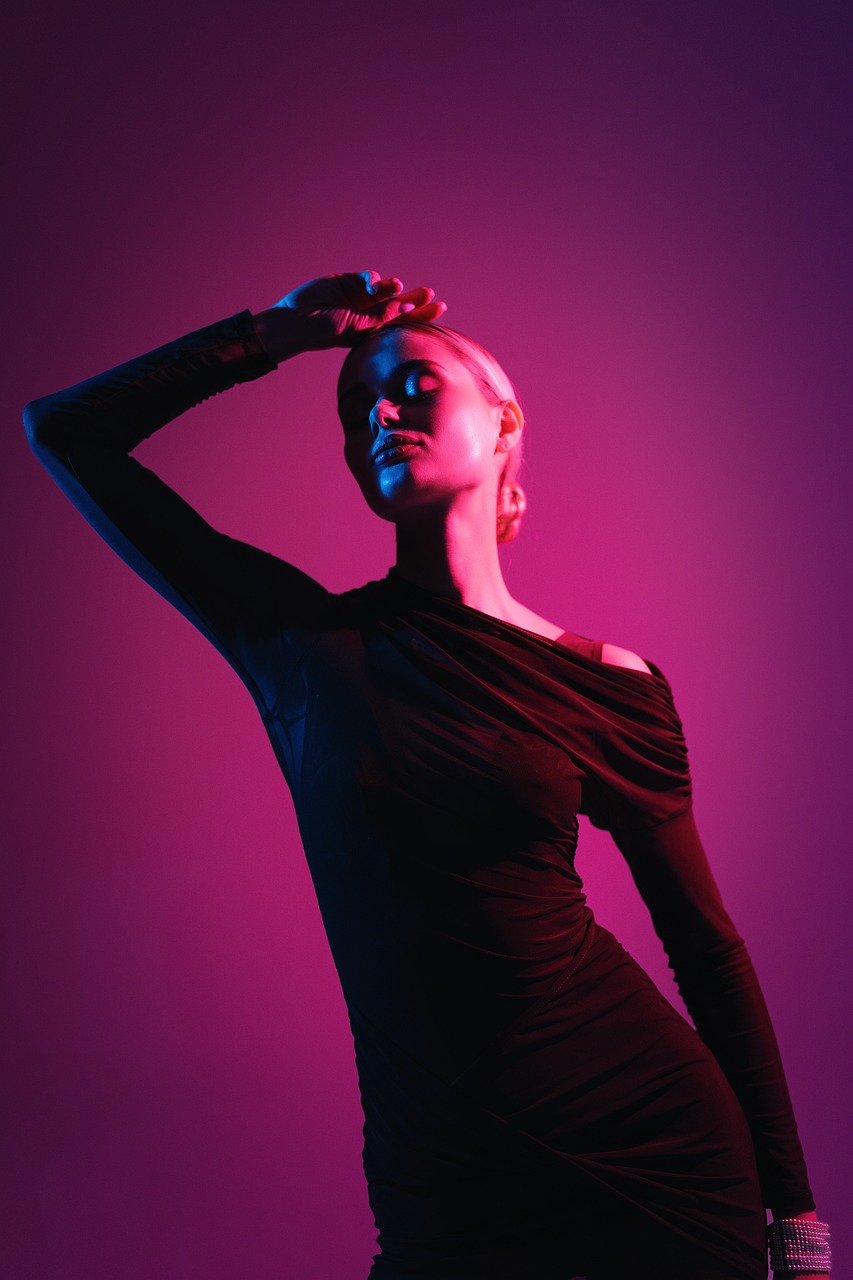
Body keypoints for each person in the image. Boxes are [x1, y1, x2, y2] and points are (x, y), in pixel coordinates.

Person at [23, 270, 831, 1280]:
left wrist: (796, 1220)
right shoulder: (301, 644)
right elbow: (66, 431)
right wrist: (274, 334)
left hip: (651, 1159)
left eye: (412, 385)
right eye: (353, 406)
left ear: (502, 423)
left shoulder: (611, 682)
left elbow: (704, 948)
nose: (378, 413)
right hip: (441, 1188)